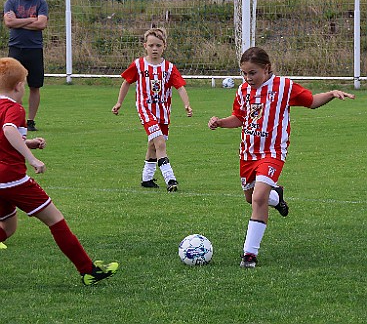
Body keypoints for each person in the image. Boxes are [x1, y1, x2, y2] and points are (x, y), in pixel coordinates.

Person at [208, 47, 355, 269]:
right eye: (244, 73)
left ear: (266, 68)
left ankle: (249, 254)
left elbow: (311, 101)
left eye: (253, 73)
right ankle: (276, 196)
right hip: (248, 153)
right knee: (251, 198)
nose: (248, 78)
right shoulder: (243, 91)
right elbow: (239, 118)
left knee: (258, 199)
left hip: (273, 152)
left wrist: (332, 93)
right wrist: (220, 122)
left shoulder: (284, 87)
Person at [0, 57, 119, 285]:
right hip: (13, 179)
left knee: (9, 227)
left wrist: (29, 142)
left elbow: (5, 139)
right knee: (56, 220)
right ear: (18, 86)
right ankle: (88, 271)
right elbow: (8, 131)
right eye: (24, 84)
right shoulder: (15, 108)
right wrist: (32, 158)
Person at [112, 28, 193, 192]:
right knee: (160, 143)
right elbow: (127, 82)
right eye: (151, 45)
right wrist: (119, 102)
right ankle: (170, 179)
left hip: (163, 111)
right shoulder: (138, 65)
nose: (154, 48)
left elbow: (180, 87)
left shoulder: (169, 68)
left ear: (164, 46)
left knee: (153, 144)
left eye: (158, 45)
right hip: (145, 109)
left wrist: (186, 104)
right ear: (145, 46)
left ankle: (147, 178)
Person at [3, 0, 48, 132]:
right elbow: (9, 22)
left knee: (35, 86)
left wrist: (19, 22)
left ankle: (31, 121)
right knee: (12, 85)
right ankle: (14, 118)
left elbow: (41, 24)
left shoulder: (41, 3)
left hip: (34, 49)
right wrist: (30, 20)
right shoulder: (11, 2)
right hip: (16, 49)